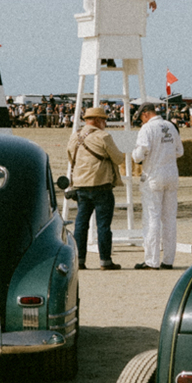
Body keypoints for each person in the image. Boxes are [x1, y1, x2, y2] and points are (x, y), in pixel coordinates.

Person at [65, 104, 125, 270]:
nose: (104, 123)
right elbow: (119, 158)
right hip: (101, 186)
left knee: (81, 225)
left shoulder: (74, 136)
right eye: (104, 120)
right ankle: (105, 261)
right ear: (99, 120)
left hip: (81, 186)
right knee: (103, 226)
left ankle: (80, 260)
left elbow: (70, 158)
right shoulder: (103, 136)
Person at [130, 102, 184, 270]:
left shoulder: (147, 129)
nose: (141, 121)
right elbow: (180, 151)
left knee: (152, 218)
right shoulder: (170, 126)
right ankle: (168, 259)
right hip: (171, 174)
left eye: (141, 118)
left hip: (154, 175)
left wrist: (135, 155)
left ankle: (151, 261)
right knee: (169, 218)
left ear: (145, 114)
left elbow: (140, 154)